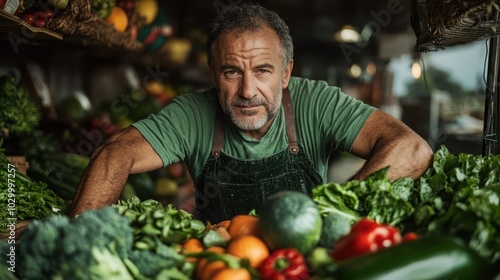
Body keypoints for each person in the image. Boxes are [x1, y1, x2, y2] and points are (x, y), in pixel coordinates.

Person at [70, 3, 433, 223]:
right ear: (214, 74)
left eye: (263, 71)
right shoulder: (192, 113)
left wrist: (335, 214)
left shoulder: (316, 103)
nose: (247, 91)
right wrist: (82, 231)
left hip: (301, 266)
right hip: (222, 264)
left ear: (287, 72)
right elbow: (114, 153)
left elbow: (411, 149)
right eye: (231, 72)